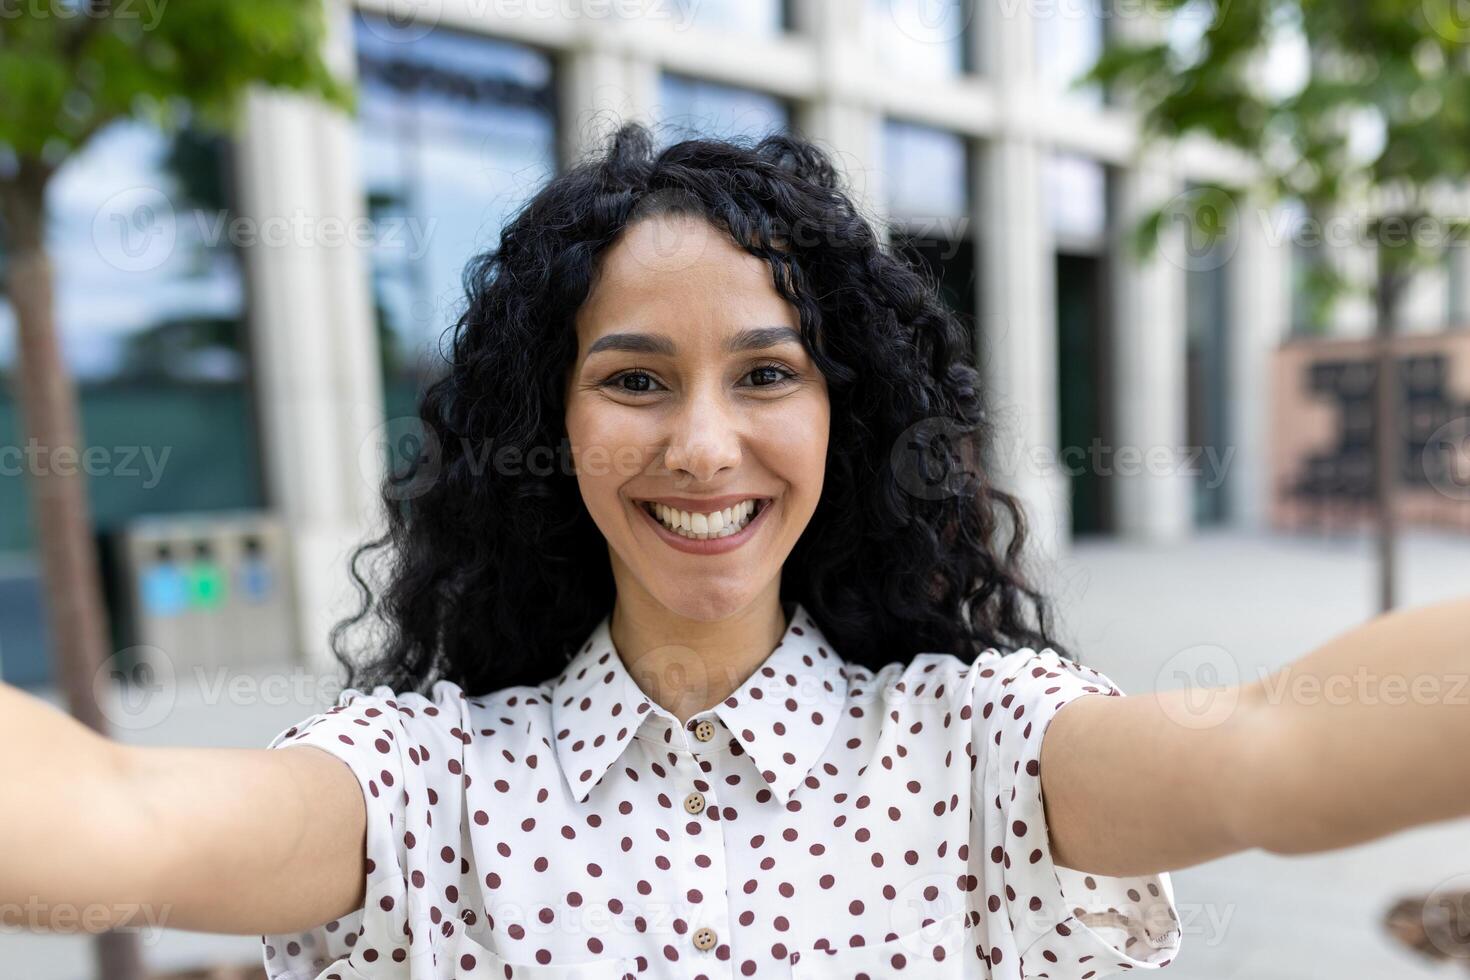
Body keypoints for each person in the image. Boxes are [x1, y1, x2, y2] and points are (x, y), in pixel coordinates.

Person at [2, 121, 1467, 980]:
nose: (703, 446)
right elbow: (113, 815)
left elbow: (1269, 750)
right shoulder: (420, 784)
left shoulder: (979, 752)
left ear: (845, 415)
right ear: (550, 425)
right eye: (635, 380)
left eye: (766, 375)